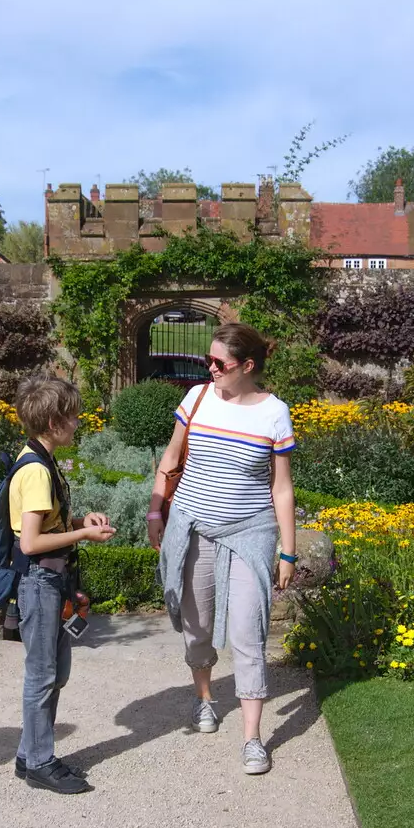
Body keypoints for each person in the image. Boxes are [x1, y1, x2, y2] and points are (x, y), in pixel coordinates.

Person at [148, 323, 297, 775]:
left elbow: (282, 488)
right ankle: (205, 699)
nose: (209, 369)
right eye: (206, 362)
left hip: (250, 533)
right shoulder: (195, 399)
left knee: (249, 635)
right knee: (196, 626)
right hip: (192, 527)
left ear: (247, 366)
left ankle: (253, 739)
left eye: (219, 363)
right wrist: (156, 512)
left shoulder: (274, 413)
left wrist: (287, 552)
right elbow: (171, 461)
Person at [9, 374, 116, 794]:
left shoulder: (39, 458)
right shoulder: (36, 470)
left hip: (51, 579)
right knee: (42, 674)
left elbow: (41, 525)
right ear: (54, 423)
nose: (78, 422)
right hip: (40, 581)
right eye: (72, 417)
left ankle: (30, 752)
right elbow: (31, 541)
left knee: (54, 672)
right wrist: (83, 535)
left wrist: (77, 523)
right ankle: (38, 761)